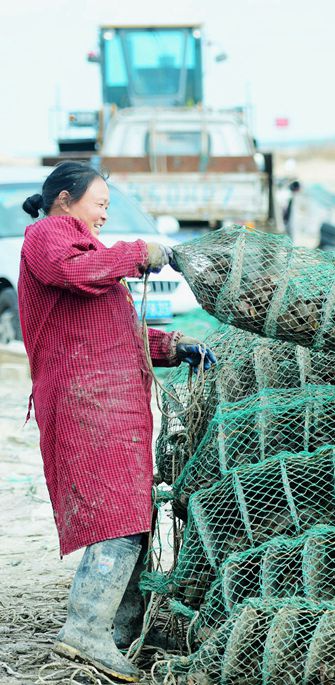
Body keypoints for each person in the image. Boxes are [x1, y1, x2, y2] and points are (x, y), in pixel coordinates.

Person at [19, 162, 216, 683]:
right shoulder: (48, 237)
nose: (106, 212)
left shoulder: (89, 253)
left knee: (132, 512)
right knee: (116, 513)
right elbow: (77, 274)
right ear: (65, 198)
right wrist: (135, 254)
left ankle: (119, 631)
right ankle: (85, 630)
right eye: (100, 201)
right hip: (87, 401)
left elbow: (108, 331)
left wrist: (173, 346)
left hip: (112, 401)